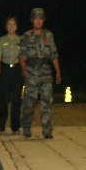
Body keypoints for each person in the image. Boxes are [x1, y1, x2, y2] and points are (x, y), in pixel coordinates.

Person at [19, 8, 61, 139]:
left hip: (46, 72)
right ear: (32, 20)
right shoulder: (26, 36)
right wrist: (24, 70)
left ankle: (47, 130)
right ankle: (26, 127)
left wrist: (58, 72)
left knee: (47, 102)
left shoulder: (48, 35)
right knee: (29, 103)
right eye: (35, 19)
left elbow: (54, 55)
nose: (38, 21)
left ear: (43, 20)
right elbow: (22, 56)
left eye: (40, 19)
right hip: (31, 72)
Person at [0, 17, 23, 134]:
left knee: (17, 99)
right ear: (6, 26)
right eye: (9, 24)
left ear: (17, 26)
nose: (11, 26)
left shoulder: (21, 40)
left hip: (17, 70)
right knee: (4, 98)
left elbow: (23, 57)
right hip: (5, 70)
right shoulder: (2, 40)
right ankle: (2, 123)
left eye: (13, 24)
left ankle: (15, 127)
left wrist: (25, 70)